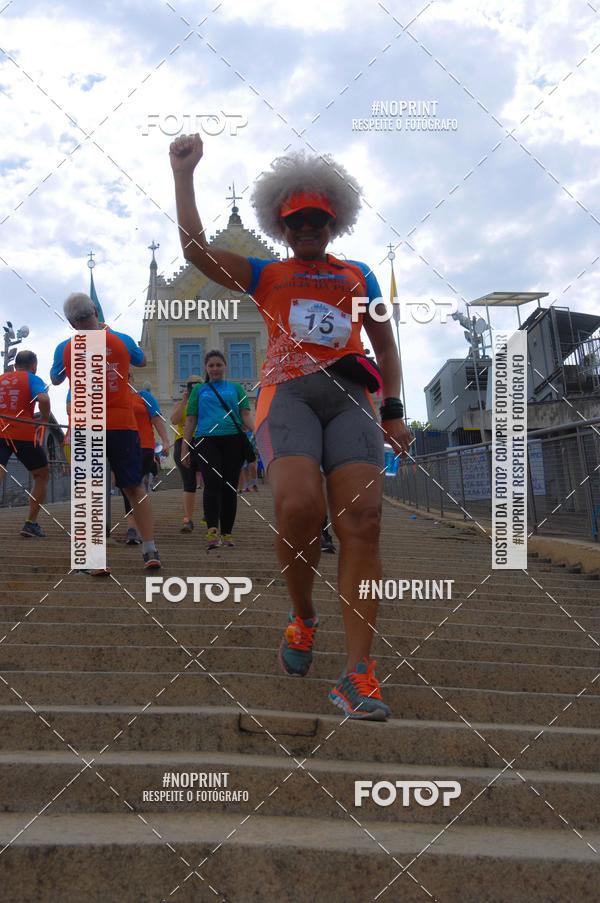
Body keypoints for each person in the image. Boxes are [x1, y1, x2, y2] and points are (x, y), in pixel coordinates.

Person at [170, 135, 411, 720]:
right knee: (300, 507)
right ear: (281, 226)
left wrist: (394, 407)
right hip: (287, 397)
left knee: (364, 520)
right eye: (295, 219)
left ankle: (358, 672)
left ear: (333, 222)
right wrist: (183, 175)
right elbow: (198, 252)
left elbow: (384, 341)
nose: (306, 227)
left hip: (351, 395)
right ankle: (303, 617)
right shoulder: (265, 273)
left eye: (317, 219)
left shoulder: (358, 276)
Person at [50, 293, 161, 571]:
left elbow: (55, 378)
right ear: (95, 312)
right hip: (123, 424)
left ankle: (91, 558)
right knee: (134, 487)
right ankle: (150, 550)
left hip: (87, 424)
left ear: (71, 322)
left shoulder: (67, 348)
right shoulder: (121, 339)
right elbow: (142, 361)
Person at [182, 350, 254, 549]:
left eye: (218, 365)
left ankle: (228, 533)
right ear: (206, 368)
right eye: (211, 365)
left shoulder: (236, 389)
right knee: (212, 483)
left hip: (233, 440)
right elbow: (190, 420)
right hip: (206, 440)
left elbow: (245, 414)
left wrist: (259, 432)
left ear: (225, 366)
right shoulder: (199, 390)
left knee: (229, 486)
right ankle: (212, 530)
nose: (215, 369)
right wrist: (185, 449)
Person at [0, 350, 51, 537]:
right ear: (34, 366)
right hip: (23, 433)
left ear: (14, 365)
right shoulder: (31, 378)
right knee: (41, 475)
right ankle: (30, 523)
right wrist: (44, 419)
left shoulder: (1, 378)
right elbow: (43, 398)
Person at [124, 380, 170, 545]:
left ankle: (133, 529)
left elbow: (156, 418)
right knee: (128, 487)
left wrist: (165, 440)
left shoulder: (143, 396)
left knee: (134, 485)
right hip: (122, 447)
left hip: (144, 446)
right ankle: (134, 528)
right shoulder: (112, 398)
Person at [171, 375, 205, 532]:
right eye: (191, 387)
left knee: (210, 481)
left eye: (197, 386)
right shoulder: (181, 403)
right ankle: (188, 519)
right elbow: (174, 419)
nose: (193, 390)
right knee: (189, 482)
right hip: (183, 442)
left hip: (204, 441)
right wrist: (185, 400)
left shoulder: (206, 402)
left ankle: (209, 514)